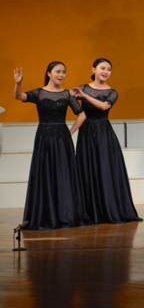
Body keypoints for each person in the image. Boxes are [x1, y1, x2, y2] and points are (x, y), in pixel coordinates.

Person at [13, 62, 85, 230]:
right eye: (58, 71)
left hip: (62, 139)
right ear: (49, 73)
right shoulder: (39, 93)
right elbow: (18, 96)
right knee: (44, 174)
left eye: (63, 72)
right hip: (44, 138)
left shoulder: (67, 94)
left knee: (63, 174)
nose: (61, 75)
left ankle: (65, 214)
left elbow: (82, 115)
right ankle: (46, 215)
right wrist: (18, 83)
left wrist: (70, 132)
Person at [70, 58, 142, 225]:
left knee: (105, 170)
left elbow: (103, 107)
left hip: (104, 134)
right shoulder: (82, 88)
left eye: (109, 69)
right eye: (102, 68)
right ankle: (89, 211)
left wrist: (84, 96)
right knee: (87, 170)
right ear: (93, 69)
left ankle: (108, 209)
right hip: (86, 134)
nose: (106, 72)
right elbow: (77, 110)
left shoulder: (112, 92)